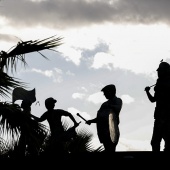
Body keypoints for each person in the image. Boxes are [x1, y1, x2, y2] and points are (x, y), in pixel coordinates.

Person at [86, 84, 123, 152]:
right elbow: (99, 118)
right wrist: (91, 121)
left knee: (110, 149)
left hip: (112, 130)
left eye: (105, 92)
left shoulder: (117, 100)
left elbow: (117, 108)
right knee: (107, 149)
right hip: (103, 131)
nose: (104, 94)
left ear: (110, 92)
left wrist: (108, 106)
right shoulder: (104, 104)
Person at [145, 61, 170, 152]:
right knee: (155, 141)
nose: (158, 73)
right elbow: (153, 100)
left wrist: (159, 86)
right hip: (159, 116)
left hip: (167, 117)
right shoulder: (159, 83)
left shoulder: (164, 83)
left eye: (160, 71)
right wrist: (148, 92)